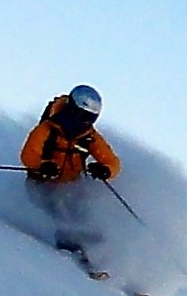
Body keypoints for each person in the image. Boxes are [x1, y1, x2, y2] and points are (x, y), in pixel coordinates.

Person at [19, 84, 121, 272]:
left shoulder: (89, 137)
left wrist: (104, 170)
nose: (85, 123)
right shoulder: (47, 129)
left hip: (70, 187)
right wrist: (43, 165)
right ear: (72, 110)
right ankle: (71, 250)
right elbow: (28, 154)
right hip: (41, 184)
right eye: (83, 117)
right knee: (61, 207)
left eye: (91, 119)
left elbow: (112, 161)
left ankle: (105, 256)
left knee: (88, 211)